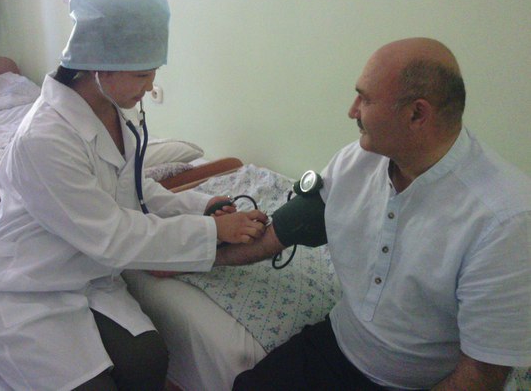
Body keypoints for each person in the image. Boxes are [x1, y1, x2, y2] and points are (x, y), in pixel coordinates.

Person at [0, 0, 267, 391]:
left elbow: (135, 189)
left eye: (153, 73)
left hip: (85, 274)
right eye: (142, 75)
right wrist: (213, 232)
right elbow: (113, 235)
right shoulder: (44, 139)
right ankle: (1, 365)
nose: (151, 87)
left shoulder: (111, 111)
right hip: (25, 286)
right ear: (98, 66)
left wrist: (201, 206)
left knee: (149, 360)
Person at [216, 38, 531, 390]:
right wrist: (196, 254)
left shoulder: (505, 221)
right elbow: (282, 232)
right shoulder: (355, 161)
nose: (352, 111)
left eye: (364, 99)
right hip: (337, 348)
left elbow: (482, 375)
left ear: (416, 114)